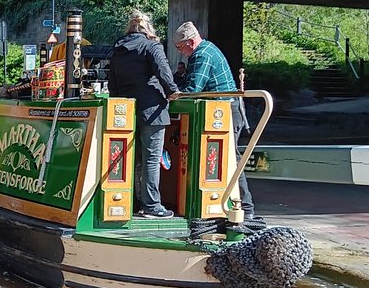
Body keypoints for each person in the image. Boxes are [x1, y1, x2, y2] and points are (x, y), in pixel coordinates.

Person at [172, 21, 257, 222]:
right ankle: (226, 204)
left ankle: (245, 206)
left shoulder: (202, 55)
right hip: (223, 110)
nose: (181, 52)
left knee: (231, 160)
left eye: (180, 48)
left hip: (223, 111)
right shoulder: (205, 50)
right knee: (227, 160)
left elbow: (193, 90)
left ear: (191, 42)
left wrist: (171, 93)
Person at [107, 11, 178, 219]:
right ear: (148, 27)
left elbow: (113, 82)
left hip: (127, 111)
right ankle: (152, 206)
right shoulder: (151, 45)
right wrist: (172, 91)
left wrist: (120, 103)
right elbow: (163, 71)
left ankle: (136, 201)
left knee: (135, 159)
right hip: (152, 110)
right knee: (152, 159)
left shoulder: (119, 50)